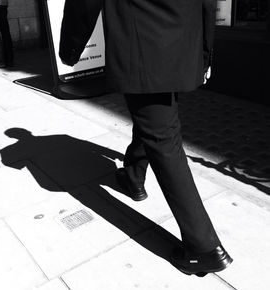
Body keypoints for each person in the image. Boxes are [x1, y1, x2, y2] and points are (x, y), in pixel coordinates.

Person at [59, 0, 233, 276]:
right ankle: (133, 177)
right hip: (181, 50)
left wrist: (70, 50)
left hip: (141, 52)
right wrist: (205, 54)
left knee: (163, 139)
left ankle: (204, 248)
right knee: (154, 125)